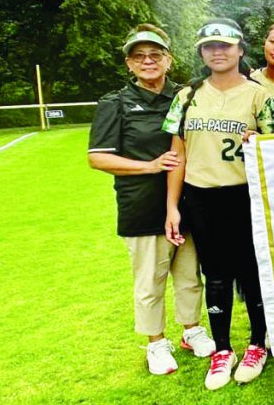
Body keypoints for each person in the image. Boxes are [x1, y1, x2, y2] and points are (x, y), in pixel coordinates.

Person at [88, 24, 214, 375]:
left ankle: (192, 330)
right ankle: (156, 343)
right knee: (150, 280)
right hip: (141, 205)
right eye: (139, 57)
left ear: (168, 60)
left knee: (189, 275)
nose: (148, 62)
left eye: (155, 55)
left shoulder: (187, 96)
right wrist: (150, 166)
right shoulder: (116, 103)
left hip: (188, 203)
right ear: (129, 64)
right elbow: (98, 157)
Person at [162, 19, 274, 390]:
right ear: (201, 52)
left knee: (251, 273)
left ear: (241, 50)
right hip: (200, 195)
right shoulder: (187, 95)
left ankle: (257, 344)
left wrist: (257, 139)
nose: (218, 51)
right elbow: (176, 154)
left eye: (226, 46)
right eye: (210, 46)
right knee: (214, 274)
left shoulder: (260, 95)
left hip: (244, 195)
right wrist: (172, 206)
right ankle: (222, 349)